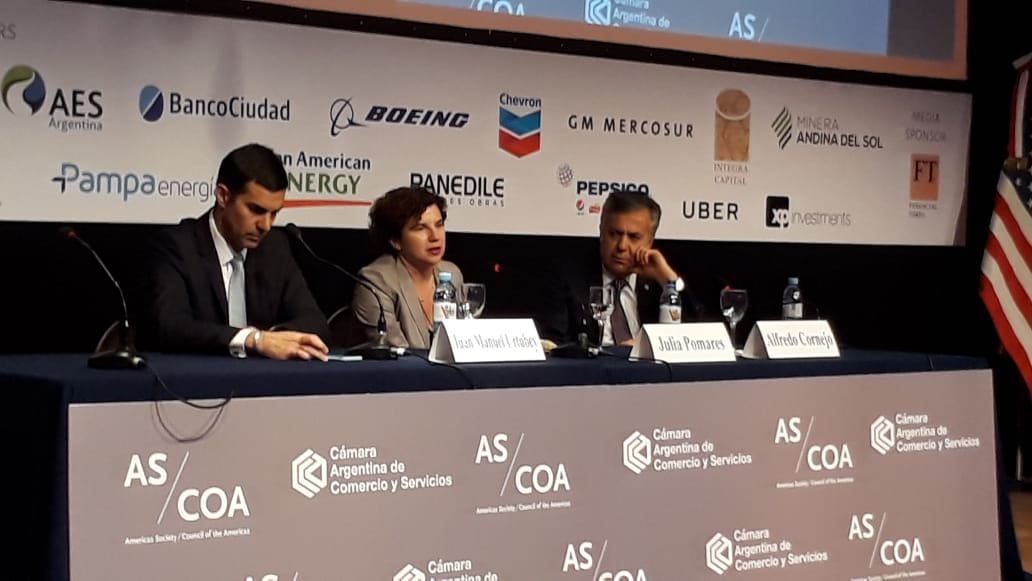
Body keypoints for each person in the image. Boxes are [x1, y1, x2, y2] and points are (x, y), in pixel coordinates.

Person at [143, 143, 330, 360]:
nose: (266, 225)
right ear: (223, 196)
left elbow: (314, 321)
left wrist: (272, 340)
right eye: (256, 210)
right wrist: (252, 340)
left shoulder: (274, 248)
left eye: (274, 213)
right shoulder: (176, 247)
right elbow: (169, 327)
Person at [533, 189, 699, 346]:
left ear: (650, 241)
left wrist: (668, 281)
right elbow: (553, 346)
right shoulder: (566, 278)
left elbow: (697, 338)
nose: (622, 246)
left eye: (634, 237)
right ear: (601, 232)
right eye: (614, 234)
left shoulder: (656, 283)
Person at [351, 186, 464, 349]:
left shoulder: (452, 274)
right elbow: (396, 351)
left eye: (439, 225)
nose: (435, 236)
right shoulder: (377, 281)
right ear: (395, 240)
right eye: (420, 228)